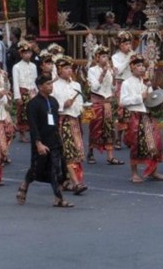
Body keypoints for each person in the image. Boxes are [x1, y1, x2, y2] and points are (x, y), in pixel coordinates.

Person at [16, 75, 74, 208]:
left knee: (56, 168)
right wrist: (38, 143)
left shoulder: (53, 102)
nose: (50, 86)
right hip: (41, 141)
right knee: (37, 168)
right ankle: (25, 184)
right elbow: (33, 125)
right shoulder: (33, 104)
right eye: (47, 84)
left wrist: (59, 138)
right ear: (40, 87)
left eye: (51, 84)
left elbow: (55, 122)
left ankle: (58, 198)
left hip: (54, 140)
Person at [120, 54, 163, 183]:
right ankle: (134, 173)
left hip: (147, 115)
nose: (141, 68)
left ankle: (153, 170)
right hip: (135, 116)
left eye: (142, 66)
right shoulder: (126, 83)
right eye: (138, 66)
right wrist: (140, 96)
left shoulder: (145, 81)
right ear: (132, 68)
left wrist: (154, 91)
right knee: (136, 145)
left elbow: (151, 99)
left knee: (155, 142)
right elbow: (122, 101)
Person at [51, 56, 88, 195]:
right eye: (66, 68)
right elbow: (51, 105)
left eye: (70, 68)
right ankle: (74, 182)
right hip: (62, 122)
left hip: (74, 121)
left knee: (77, 150)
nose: (69, 70)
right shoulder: (53, 86)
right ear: (59, 70)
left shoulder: (76, 85)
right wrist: (62, 105)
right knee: (67, 152)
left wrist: (82, 109)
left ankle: (71, 180)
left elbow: (79, 103)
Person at [86, 45, 123, 166]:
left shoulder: (110, 70)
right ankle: (90, 152)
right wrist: (103, 74)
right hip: (97, 102)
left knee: (109, 129)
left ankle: (110, 156)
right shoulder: (92, 70)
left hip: (108, 102)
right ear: (97, 57)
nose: (105, 58)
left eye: (107, 56)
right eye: (103, 56)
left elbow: (113, 88)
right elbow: (94, 87)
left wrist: (113, 77)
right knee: (95, 128)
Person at [112, 31, 135, 149]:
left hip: (132, 83)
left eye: (129, 44)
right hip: (121, 84)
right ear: (120, 46)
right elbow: (118, 71)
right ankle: (118, 138)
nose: (129, 46)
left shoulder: (133, 54)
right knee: (122, 112)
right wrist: (128, 60)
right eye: (126, 44)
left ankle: (130, 138)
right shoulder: (115, 57)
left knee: (132, 111)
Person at [12, 41, 38, 143]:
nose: (28, 55)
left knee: (33, 114)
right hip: (22, 90)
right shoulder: (16, 67)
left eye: (29, 53)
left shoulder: (33, 66)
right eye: (25, 53)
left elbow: (35, 80)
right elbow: (15, 82)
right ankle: (22, 133)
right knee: (22, 112)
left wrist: (37, 92)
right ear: (21, 54)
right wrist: (17, 96)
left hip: (32, 91)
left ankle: (33, 132)